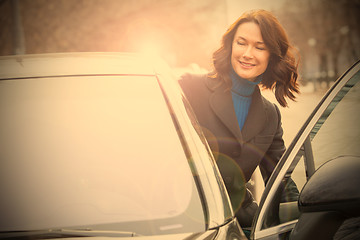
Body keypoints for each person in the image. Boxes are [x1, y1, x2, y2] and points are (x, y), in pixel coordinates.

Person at [179, 9, 300, 227]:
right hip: (187, 219)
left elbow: (281, 180)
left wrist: (306, 214)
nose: (247, 53)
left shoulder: (271, 114)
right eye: (241, 43)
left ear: (272, 55)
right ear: (230, 45)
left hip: (240, 222)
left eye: (259, 47)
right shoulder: (189, 87)